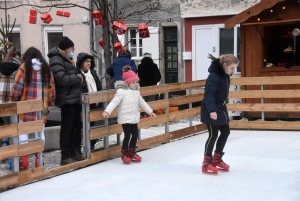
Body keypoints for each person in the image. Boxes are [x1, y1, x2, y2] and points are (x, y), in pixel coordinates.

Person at [10, 47, 55, 170]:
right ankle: (39, 159)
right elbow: (52, 91)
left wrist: (14, 99)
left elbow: (17, 87)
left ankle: (24, 161)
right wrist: (49, 102)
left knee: (23, 133)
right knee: (40, 133)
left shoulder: (24, 68)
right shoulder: (47, 69)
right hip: (41, 108)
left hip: (25, 108)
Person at [102, 66, 156, 164]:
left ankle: (132, 151)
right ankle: (125, 152)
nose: (135, 84)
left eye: (136, 82)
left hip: (134, 117)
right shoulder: (121, 92)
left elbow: (142, 102)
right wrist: (107, 111)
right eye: (133, 82)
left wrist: (150, 111)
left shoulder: (136, 92)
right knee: (127, 135)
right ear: (127, 82)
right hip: (125, 117)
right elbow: (114, 102)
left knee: (135, 134)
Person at [47, 36, 84, 166]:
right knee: (67, 128)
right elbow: (60, 78)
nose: (74, 49)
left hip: (73, 99)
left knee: (75, 127)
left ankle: (74, 152)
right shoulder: (56, 59)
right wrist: (77, 78)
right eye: (71, 47)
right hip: (66, 99)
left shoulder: (68, 59)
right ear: (65, 48)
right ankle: (65, 155)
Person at [200, 54, 239, 174]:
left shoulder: (225, 75)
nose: (233, 71)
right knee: (213, 134)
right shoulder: (214, 76)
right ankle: (206, 162)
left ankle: (216, 159)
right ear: (225, 65)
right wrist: (212, 110)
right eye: (232, 68)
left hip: (220, 108)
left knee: (226, 132)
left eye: (235, 68)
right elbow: (209, 94)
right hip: (211, 109)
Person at [75, 52, 102, 150]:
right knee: (81, 127)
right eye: (86, 61)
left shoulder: (93, 73)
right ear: (81, 62)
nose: (88, 63)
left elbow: (99, 87)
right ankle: (80, 147)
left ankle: (91, 145)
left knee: (92, 126)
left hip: (93, 104)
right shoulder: (77, 74)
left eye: (90, 61)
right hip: (82, 105)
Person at [0, 46, 21, 148]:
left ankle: (5, 144)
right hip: (13, 101)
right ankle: (12, 152)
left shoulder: (0, 67)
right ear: (17, 56)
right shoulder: (18, 68)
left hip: (1, 102)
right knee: (15, 126)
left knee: (7, 125)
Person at [137, 52, 161, 118]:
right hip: (152, 86)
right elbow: (159, 76)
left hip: (143, 86)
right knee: (151, 101)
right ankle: (151, 115)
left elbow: (139, 76)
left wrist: (141, 82)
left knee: (143, 101)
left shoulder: (140, 66)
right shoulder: (154, 66)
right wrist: (155, 81)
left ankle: (143, 114)